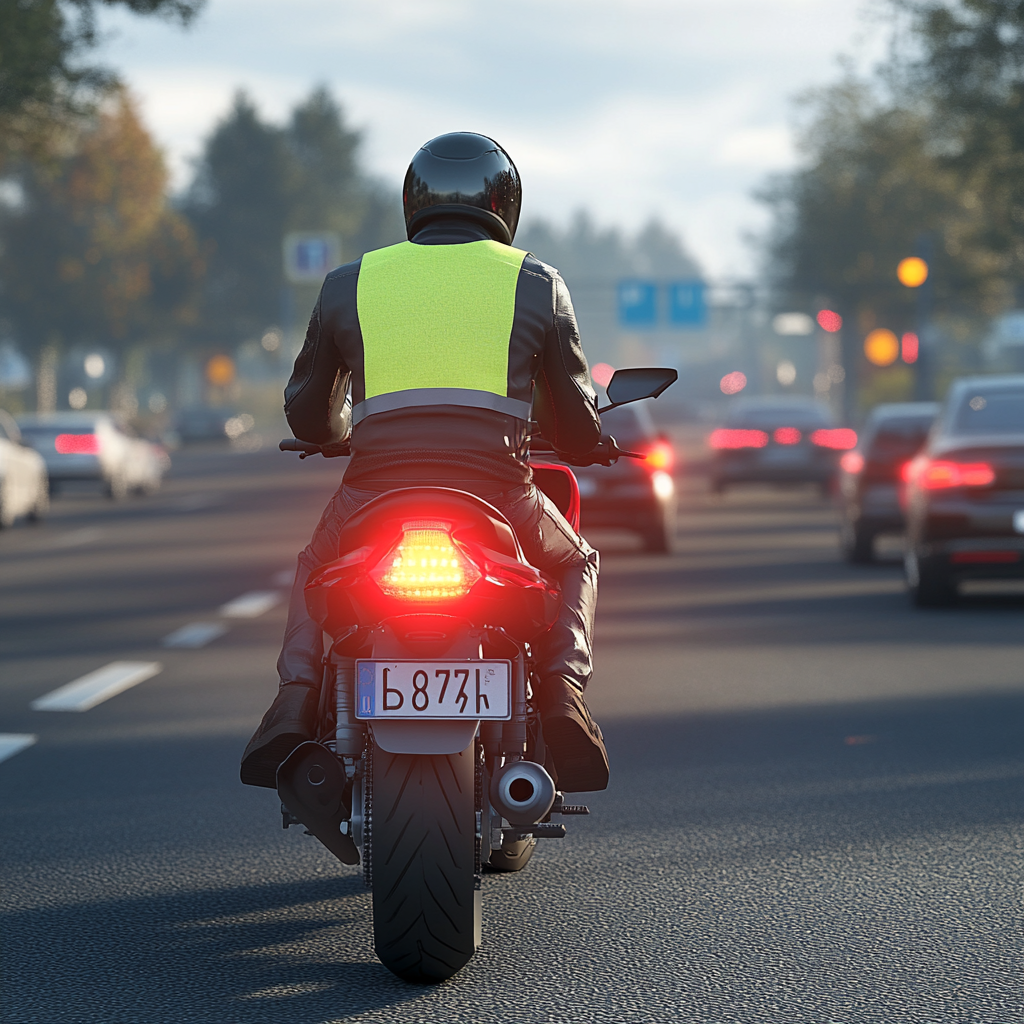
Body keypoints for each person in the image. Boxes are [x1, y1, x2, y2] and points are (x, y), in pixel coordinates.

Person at [240, 131, 609, 794]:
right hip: (500, 492)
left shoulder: (351, 282)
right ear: (505, 203)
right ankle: (562, 694)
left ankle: (293, 701)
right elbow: (574, 421)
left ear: (413, 201)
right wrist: (588, 442)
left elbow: (309, 416)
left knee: (312, 566)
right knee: (576, 558)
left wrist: (340, 428)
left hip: (373, 493)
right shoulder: (537, 283)